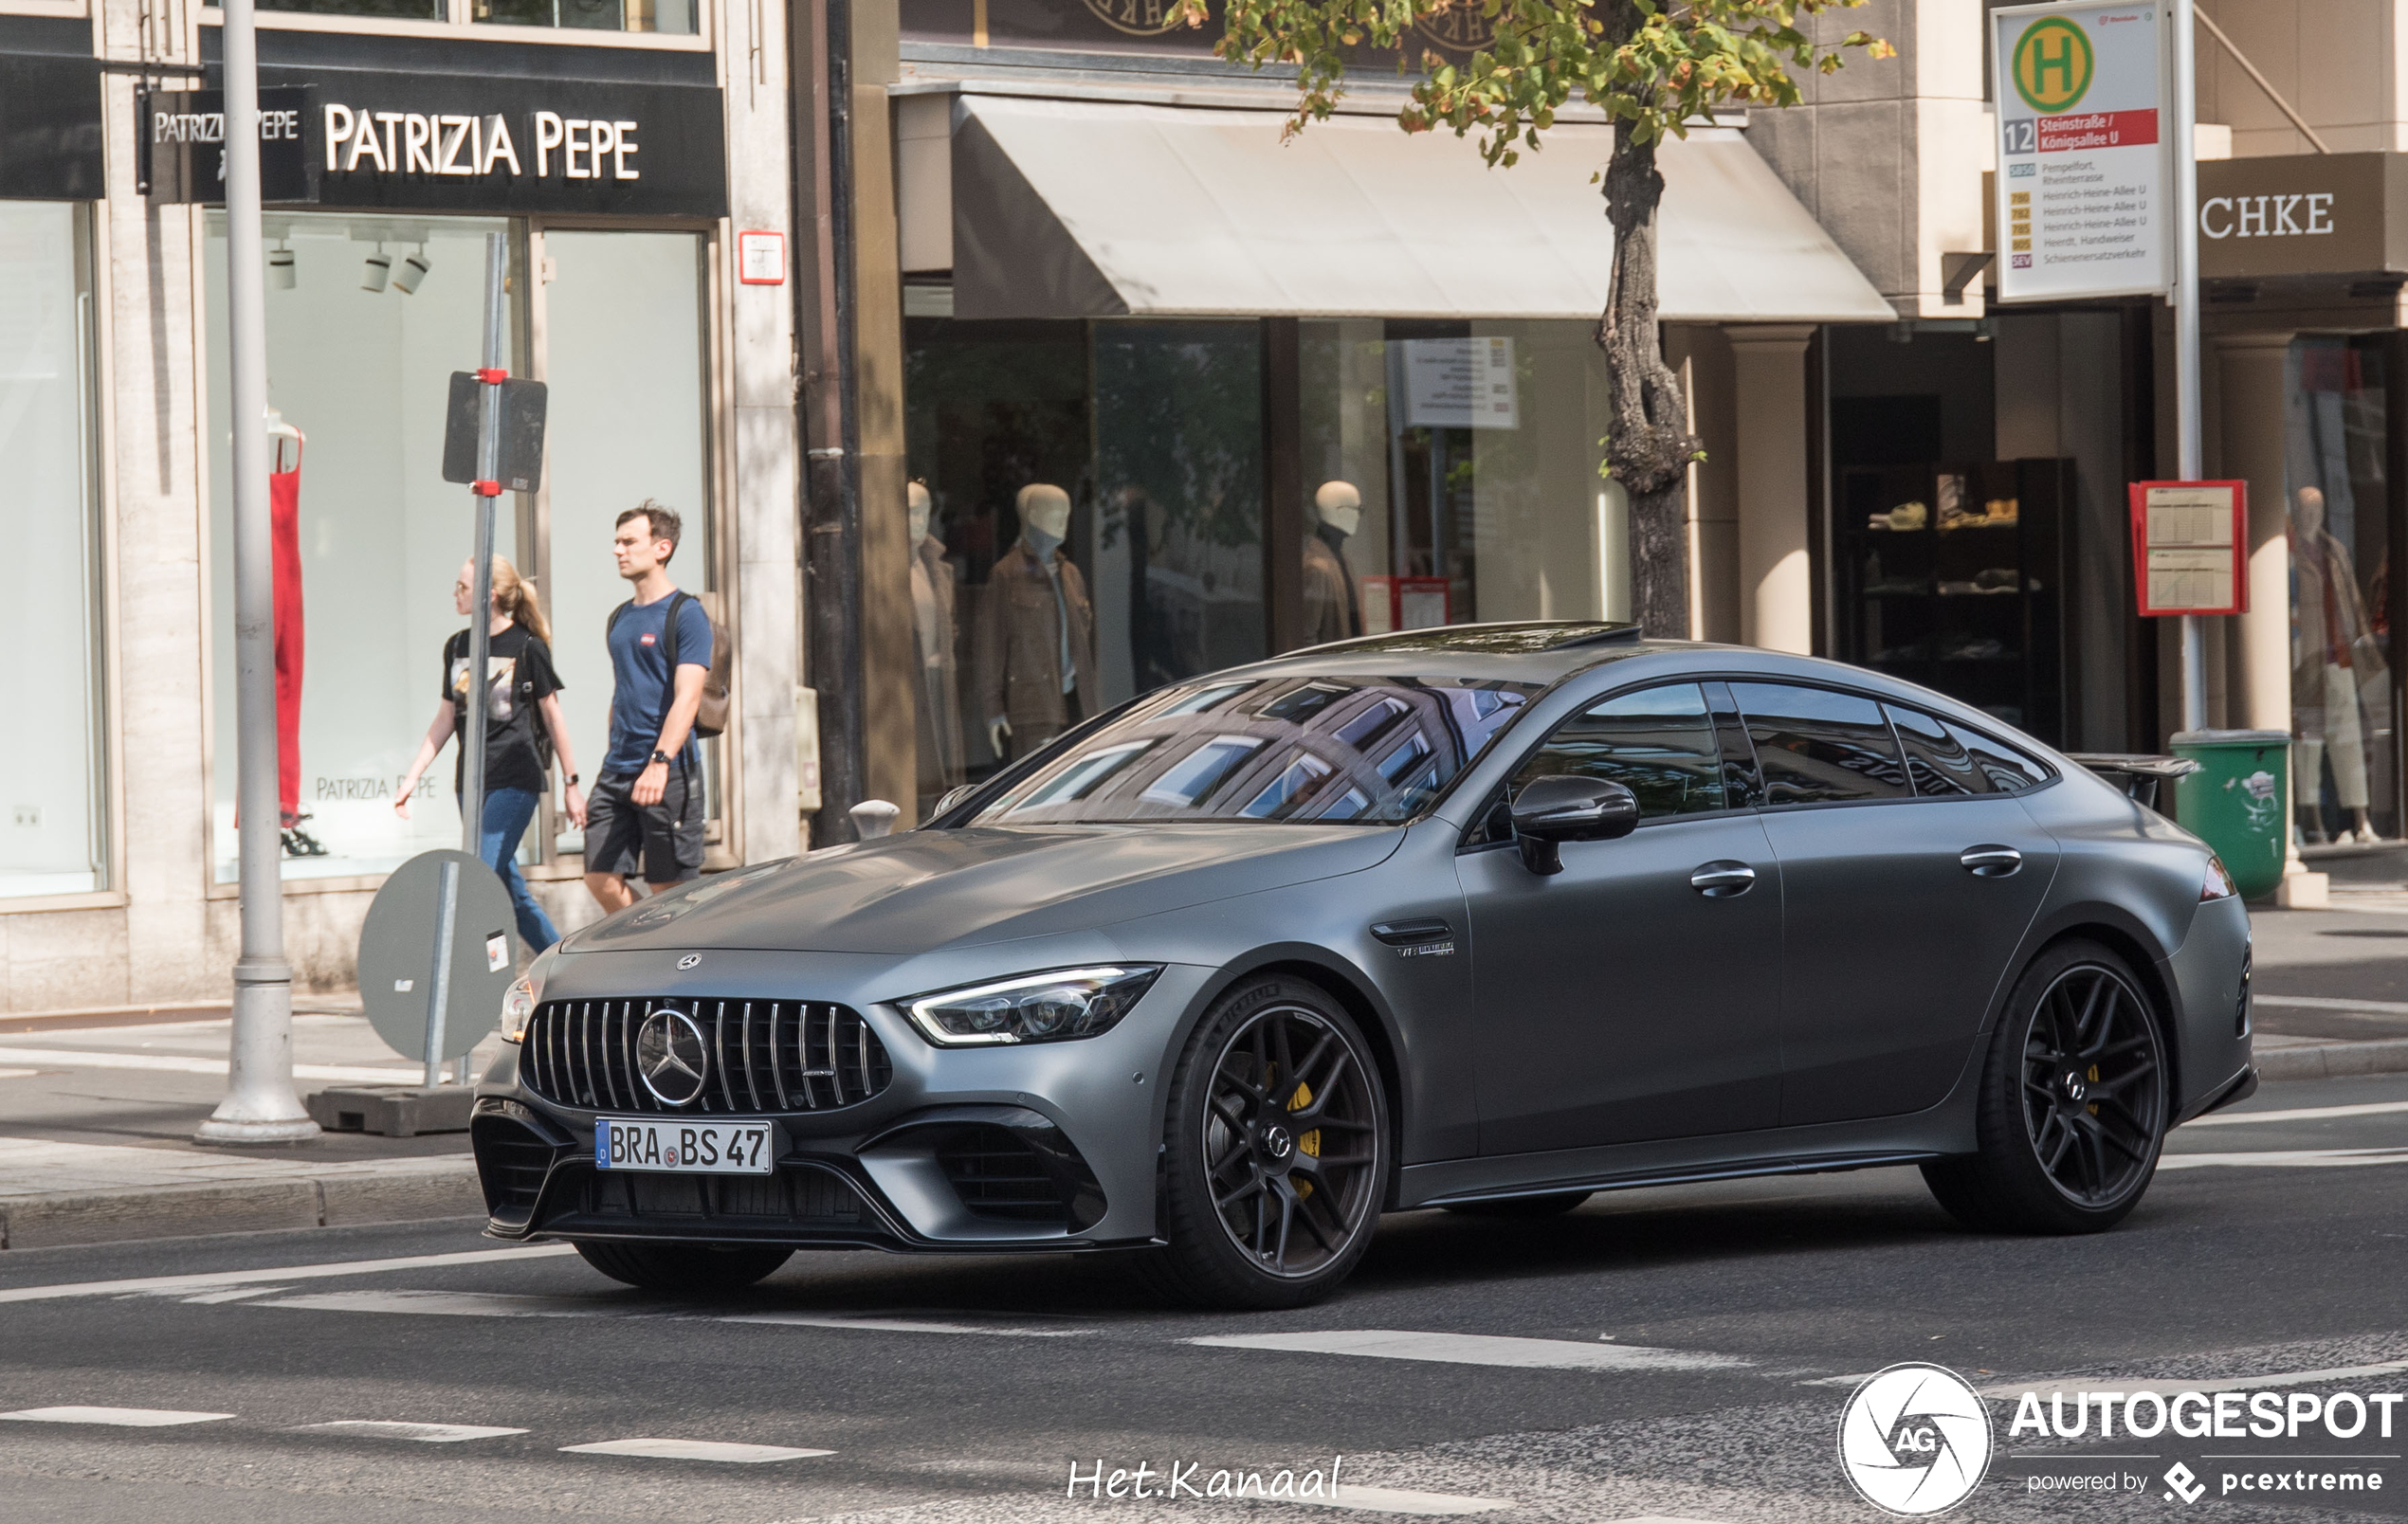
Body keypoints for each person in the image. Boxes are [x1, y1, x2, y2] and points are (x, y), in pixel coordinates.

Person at [395, 557, 585, 953]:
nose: (455, 593)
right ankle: (560, 962)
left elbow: (553, 715)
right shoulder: (457, 646)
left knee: (478, 879)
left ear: (489, 595)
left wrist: (572, 784)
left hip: (515, 779)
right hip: (470, 783)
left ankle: (470, 974)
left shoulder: (527, 647)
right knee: (506, 889)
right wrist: (412, 776)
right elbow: (446, 717)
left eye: (462, 587)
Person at [584, 501, 713, 914]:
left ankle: (684, 969)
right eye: (616, 542)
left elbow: (688, 697)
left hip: (668, 772)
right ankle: (643, 946)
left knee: (669, 891)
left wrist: (659, 761)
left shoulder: (686, 614)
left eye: (629, 541)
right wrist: (611, 754)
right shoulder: (619, 618)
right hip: (617, 770)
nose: (618, 550)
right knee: (599, 877)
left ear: (662, 548)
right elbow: (622, 692)